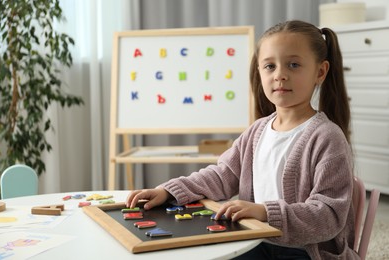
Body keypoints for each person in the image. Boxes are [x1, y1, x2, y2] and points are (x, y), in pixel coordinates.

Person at [126, 20, 359, 259]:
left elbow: (328, 216)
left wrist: (265, 213)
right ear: (259, 71)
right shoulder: (257, 131)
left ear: (320, 72)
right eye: (270, 66)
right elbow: (221, 175)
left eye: (293, 64)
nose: (280, 75)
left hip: (307, 251)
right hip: (255, 239)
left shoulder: (327, 137)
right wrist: (169, 191)